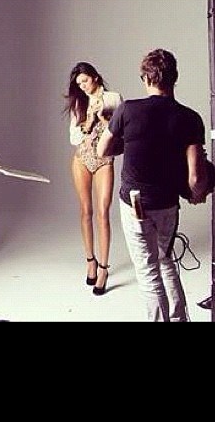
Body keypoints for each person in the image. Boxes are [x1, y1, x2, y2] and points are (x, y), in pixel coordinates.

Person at [97, 48, 210, 322]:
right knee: (165, 259)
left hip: (136, 204)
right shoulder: (191, 118)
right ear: (174, 78)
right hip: (168, 205)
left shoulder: (127, 109)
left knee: (148, 272)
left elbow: (103, 151)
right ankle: (180, 319)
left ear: (146, 78)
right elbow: (196, 178)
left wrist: (116, 127)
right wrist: (197, 195)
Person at [63, 62, 123, 295]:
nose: (83, 87)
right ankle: (90, 260)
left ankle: (104, 269)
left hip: (104, 160)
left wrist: (103, 118)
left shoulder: (114, 98)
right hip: (82, 159)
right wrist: (87, 121)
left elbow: (120, 131)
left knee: (103, 213)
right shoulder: (79, 103)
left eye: (85, 81)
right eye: (79, 84)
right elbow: (73, 138)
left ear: (95, 77)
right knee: (85, 211)